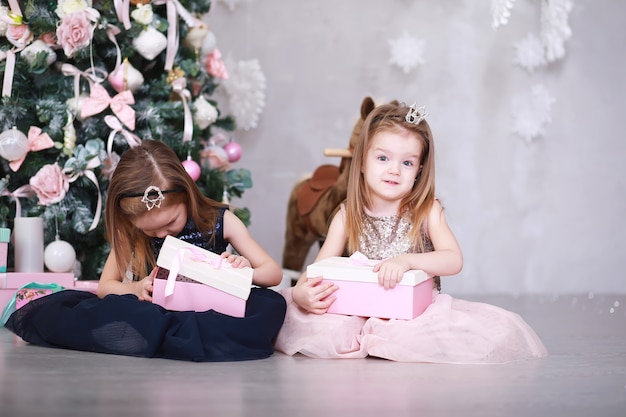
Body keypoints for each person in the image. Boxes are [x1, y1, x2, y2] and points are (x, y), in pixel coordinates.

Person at [274, 101, 548, 363]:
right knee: (311, 321)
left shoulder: (427, 210)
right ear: (361, 162)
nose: (394, 170)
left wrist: (406, 261)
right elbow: (320, 268)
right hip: (361, 309)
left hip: (415, 314)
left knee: (445, 337)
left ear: (419, 169)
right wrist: (300, 292)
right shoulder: (347, 214)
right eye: (383, 158)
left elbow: (453, 259)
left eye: (407, 163)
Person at [5, 140, 286, 362]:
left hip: (213, 309)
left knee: (270, 305)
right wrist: (136, 288)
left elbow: (272, 273)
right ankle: (171, 338)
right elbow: (106, 287)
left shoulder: (219, 220)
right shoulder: (130, 231)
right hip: (157, 313)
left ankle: (159, 340)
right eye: (151, 231)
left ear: (187, 195)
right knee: (103, 312)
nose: (161, 234)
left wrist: (242, 271)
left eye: (170, 223)